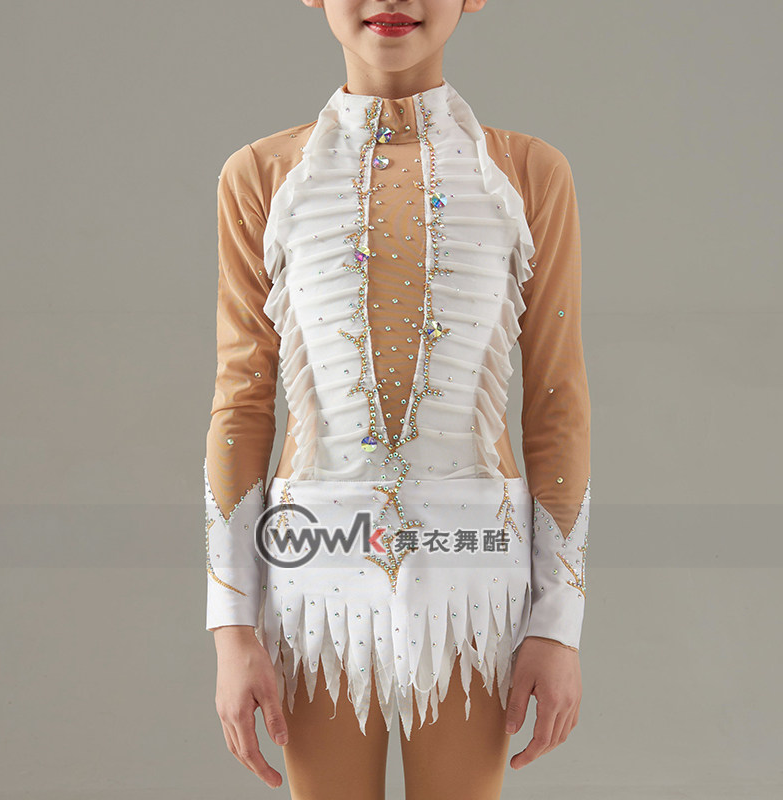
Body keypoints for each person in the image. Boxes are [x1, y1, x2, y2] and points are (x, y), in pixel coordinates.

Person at [203, 1, 591, 797]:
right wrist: (231, 626)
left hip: (474, 579)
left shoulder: (527, 173)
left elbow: (556, 399)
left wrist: (559, 624)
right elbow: (240, 404)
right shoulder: (262, 176)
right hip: (313, 577)